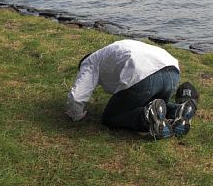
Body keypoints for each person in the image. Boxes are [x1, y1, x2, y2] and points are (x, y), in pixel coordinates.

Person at [66, 39, 199, 139]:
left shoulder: (89, 62)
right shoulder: (112, 49)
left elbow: (76, 96)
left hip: (143, 74)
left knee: (111, 117)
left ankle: (146, 118)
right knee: (154, 103)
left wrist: (76, 115)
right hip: (171, 69)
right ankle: (178, 110)